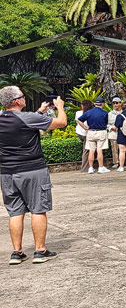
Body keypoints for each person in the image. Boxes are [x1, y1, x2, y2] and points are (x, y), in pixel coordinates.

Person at [0, 86, 67, 264]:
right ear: (17, 101)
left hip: (7, 172)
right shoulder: (27, 117)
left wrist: (39, 112)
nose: (24, 98)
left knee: (15, 212)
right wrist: (60, 106)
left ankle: (17, 252)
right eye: (22, 96)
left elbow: (23, 124)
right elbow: (61, 122)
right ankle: (40, 250)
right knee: (38, 209)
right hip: (32, 170)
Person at [83, 97, 111, 174]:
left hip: (91, 132)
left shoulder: (88, 112)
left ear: (94, 104)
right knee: (99, 150)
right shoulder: (105, 113)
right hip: (101, 132)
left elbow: (79, 119)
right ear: (103, 104)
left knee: (91, 150)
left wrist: (85, 127)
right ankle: (100, 167)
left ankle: (91, 168)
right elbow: (106, 122)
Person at [75, 99, 93, 173]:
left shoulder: (78, 113)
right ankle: (85, 168)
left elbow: (78, 121)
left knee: (87, 150)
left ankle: (87, 166)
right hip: (87, 133)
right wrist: (86, 128)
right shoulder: (90, 113)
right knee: (86, 150)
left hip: (79, 133)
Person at [107, 98, 123, 168]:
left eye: (117, 103)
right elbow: (106, 124)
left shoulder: (123, 113)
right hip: (113, 133)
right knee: (114, 149)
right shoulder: (109, 114)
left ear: (120, 103)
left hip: (123, 133)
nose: (115, 105)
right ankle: (116, 162)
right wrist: (111, 128)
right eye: (114, 103)